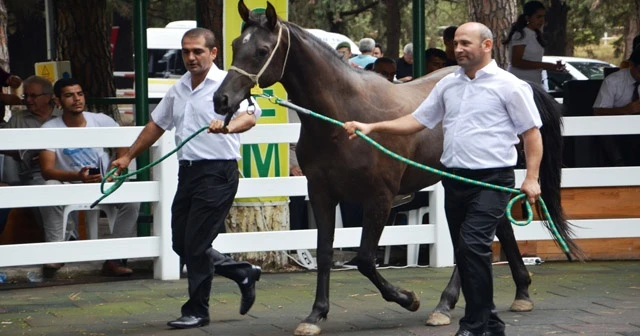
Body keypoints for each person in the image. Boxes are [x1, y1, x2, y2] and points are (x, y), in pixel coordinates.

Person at [344, 22, 543, 336]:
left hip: (491, 180)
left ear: (487, 45)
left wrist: (532, 178)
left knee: (473, 247)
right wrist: (373, 127)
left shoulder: (509, 86)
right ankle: (491, 322)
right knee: (465, 252)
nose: (458, 49)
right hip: (454, 179)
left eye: (466, 43)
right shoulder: (449, 84)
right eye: (456, 44)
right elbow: (417, 120)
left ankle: (473, 325)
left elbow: (532, 134)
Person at [110, 27, 262, 330]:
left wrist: (229, 128)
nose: (190, 57)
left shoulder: (228, 83)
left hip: (218, 172)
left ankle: (197, 310)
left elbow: (250, 115)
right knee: (181, 241)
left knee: (195, 244)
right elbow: (157, 125)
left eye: (198, 51)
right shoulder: (178, 88)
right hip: (189, 172)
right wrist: (128, 156)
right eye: (186, 51)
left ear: (213, 53)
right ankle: (240, 272)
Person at [38, 78, 140, 276]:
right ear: (57, 100)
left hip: (102, 182)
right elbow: (47, 170)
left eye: (80, 94)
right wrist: (77, 175)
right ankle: (55, 253)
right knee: (49, 185)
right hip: (68, 183)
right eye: (69, 95)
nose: (76, 99)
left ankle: (115, 258)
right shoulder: (50, 128)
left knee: (133, 199)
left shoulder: (101, 120)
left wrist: (114, 173)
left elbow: (123, 150)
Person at [592, 48, 640, 165]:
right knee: (605, 133)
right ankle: (619, 166)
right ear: (631, 65)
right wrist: (626, 110)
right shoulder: (613, 81)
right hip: (616, 128)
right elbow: (598, 111)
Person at [504, 1, 564, 87]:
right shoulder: (521, 34)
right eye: (538, 17)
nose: (542, 20)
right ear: (528, 18)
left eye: (543, 16)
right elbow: (516, 62)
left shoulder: (536, 34)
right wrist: (546, 65)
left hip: (534, 81)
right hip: (520, 82)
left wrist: (553, 67)